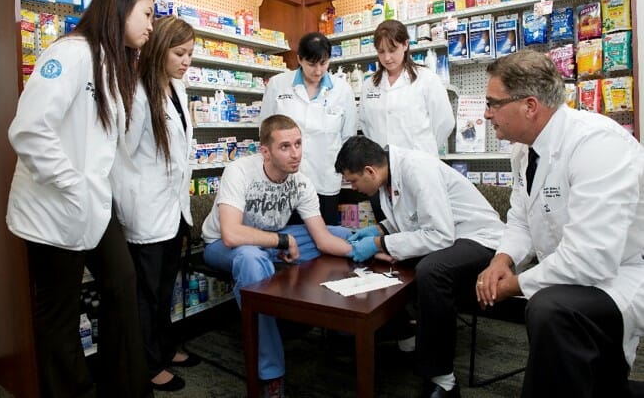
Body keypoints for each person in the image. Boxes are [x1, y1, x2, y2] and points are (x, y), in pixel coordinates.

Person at [6, 0, 154, 398]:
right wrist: (72, 186)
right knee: (59, 313)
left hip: (91, 204)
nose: (150, 25)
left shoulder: (115, 65)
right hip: (53, 206)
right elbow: (30, 131)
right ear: (120, 7)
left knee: (121, 285)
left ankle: (125, 388)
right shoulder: (70, 54)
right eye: (146, 14)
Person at [476, 49, 644, 397]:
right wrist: (501, 259)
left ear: (530, 105)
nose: (487, 113)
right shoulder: (524, 148)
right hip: (569, 274)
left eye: (493, 103)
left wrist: (515, 284)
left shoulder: (597, 144)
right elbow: (520, 216)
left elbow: (591, 258)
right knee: (550, 309)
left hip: (620, 276)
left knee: (551, 310)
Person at [335, 135, 505, 398]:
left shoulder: (416, 169)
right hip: (451, 238)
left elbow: (439, 235)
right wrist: (376, 231)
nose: (354, 188)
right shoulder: (387, 177)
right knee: (384, 261)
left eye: (354, 181)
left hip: (480, 240)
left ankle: (444, 381)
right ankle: (408, 336)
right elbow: (409, 219)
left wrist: (380, 242)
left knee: (431, 271)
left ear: (369, 170)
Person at [202, 114, 353, 398]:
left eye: (298, 144)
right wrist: (284, 240)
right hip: (224, 245)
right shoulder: (240, 171)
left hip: (272, 239)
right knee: (250, 259)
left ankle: (345, 328)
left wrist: (381, 249)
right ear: (265, 151)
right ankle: (270, 372)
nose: (295, 153)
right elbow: (231, 234)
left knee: (341, 234)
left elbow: (322, 238)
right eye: (285, 146)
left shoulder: (301, 181)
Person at [110, 16, 200, 391]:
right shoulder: (137, 92)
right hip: (146, 209)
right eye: (180, 53)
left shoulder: (177, 87)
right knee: (146, 294)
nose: (186, 61)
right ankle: (148, 363)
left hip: (173, 208)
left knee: (165, 287)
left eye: (190, 54)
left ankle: (165, 347)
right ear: (159, 49)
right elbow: (123, 155)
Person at [260, 32, 356, 225]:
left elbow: (348, 136)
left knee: (324, 237)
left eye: (324, 63)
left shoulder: (342, 89)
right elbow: (265, 131)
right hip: (284, 180)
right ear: (299, 59)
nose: (318, 70)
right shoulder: (278, 85)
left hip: (325, 178)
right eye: (312, 64)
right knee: (286, 238)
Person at [358, 19, 454, 157]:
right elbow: (366, 126)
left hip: (419, 164)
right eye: (381, 51)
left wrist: (425, 150)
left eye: (392, 50)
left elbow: (445, 123)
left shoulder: (427, 79)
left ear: (405, 44)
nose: (387, 57)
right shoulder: (369, 85)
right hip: (383, 166)